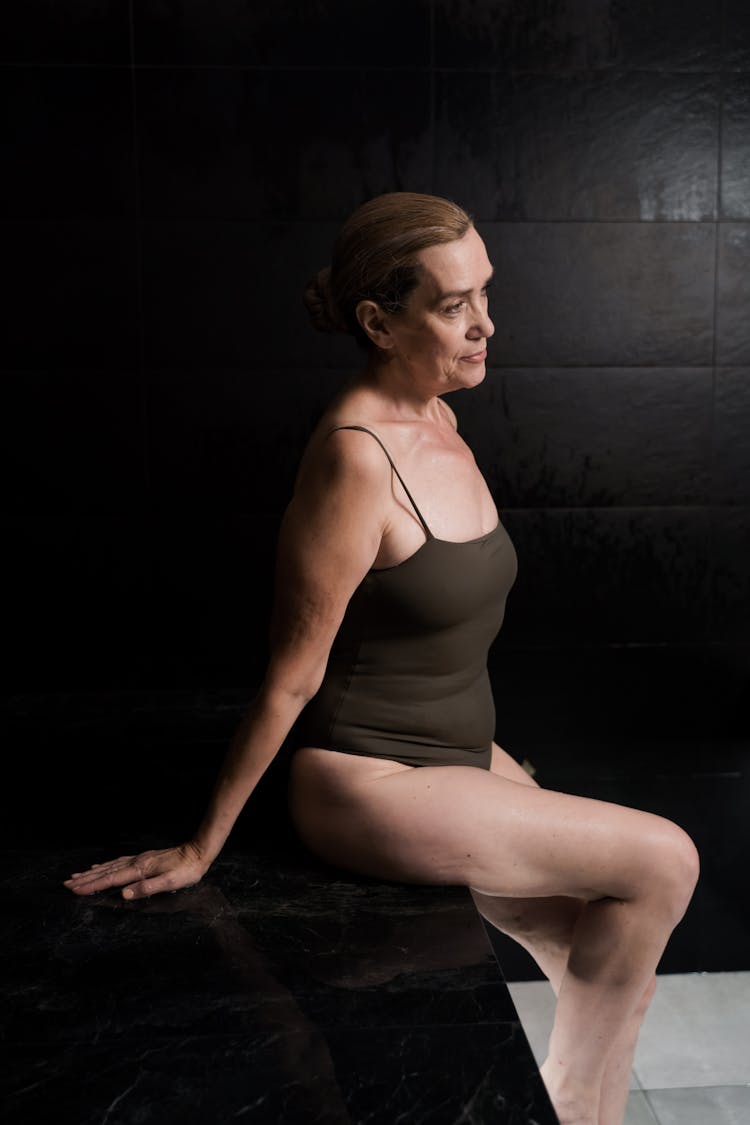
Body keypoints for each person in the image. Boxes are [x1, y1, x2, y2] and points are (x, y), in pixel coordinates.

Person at [65, 192, 699, 1125]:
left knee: (604, 962)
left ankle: (573, 1100)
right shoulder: (356, 458)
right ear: (378, 321)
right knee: (665, 862)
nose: (485, 323)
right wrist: (203, 846)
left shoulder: (440, 417)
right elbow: (290, 673)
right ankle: (579, 1113)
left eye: (486, 292)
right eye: (452, 305)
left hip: (459, 756)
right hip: (371, 777)